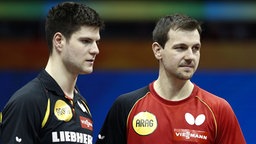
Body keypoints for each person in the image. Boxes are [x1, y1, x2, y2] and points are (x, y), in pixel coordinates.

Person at [96, 14, 246, 144]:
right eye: (180, 48)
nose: (190, 57)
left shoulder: (219, 109)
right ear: (158, 50)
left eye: (195, 48)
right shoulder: (126, 106)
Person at [0, 2, 104, 143]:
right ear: (59, 41)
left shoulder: (82, 105)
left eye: (96, 42)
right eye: (86, 41)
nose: (95, 50)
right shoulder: (28, 101)